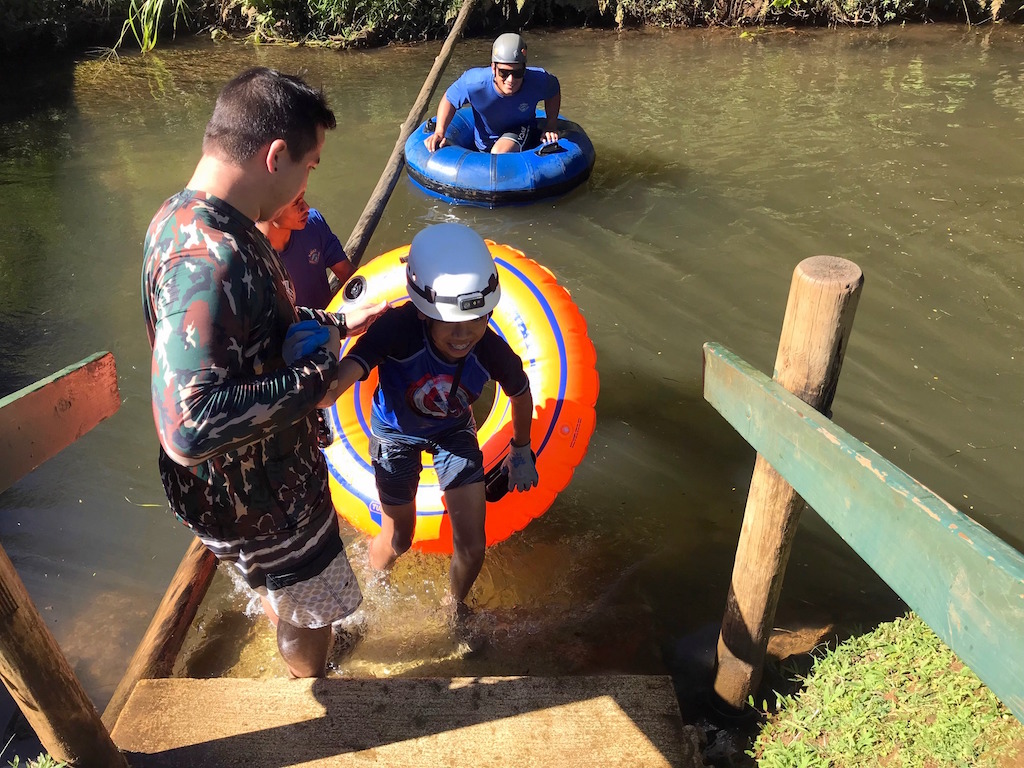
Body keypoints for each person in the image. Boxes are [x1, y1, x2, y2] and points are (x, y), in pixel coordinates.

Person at [141, 67, 384, 678]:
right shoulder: (211, 259)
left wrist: (334, 320)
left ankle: (294, 640)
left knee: (287, 595)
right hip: (263, 496)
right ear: (276, 155)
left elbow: (246, 321)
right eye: (311, 164)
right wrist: (320, 373)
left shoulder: (183, 216)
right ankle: (312, 693)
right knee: (312, 613)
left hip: (241, 490)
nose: (311, 180)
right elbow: (188, 426)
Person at [324, 222, 539, 613]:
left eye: (476, 320)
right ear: (424, 314)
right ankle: (371, 593)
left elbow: (520, 393)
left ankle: (453, 606)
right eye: (451, 323)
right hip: (395, 436)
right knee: (400, 538)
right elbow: (353, 367)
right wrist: (322, 393)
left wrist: (520, 448)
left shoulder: (489, 346)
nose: (464, 334)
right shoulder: (398, 330)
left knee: (473, 546)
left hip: (453, 431)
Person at [424, 32, 561, 155]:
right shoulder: (474, 83)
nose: (510, 80)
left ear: (524, 69)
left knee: (499, 152)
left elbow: (553, 90)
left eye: (517, 73)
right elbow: (450, 99)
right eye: (504, 73)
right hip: (483, 143)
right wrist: (440, 131)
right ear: (493, 68)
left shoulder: (538, 79)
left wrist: (551, 124)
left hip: (521, 129)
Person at [257, 189, 354, 311]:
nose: (306, 207)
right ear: (271, 209)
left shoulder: (313, 224)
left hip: (333, 322)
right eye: (295, 203)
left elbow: (347, 273)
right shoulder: (250, 259)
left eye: (303, 198)